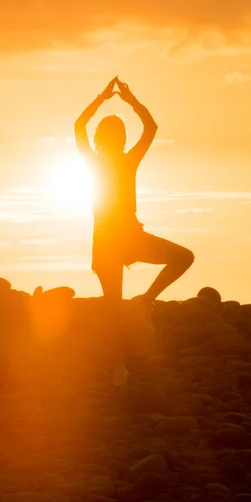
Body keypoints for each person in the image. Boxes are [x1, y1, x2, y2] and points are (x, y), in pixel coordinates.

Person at [74, 76, 194, 335]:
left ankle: (144, 301)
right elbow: (149, 127)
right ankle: (121, 359)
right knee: (113, 309)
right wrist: (129, 101)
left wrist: (103, 98)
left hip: (127, 238)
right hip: (110, 243)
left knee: (184, 258)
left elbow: (79, 126)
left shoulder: (121, 161)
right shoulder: (110, 162)